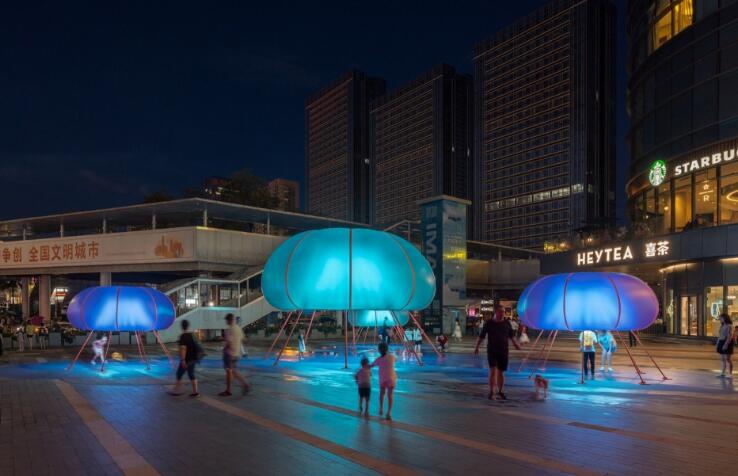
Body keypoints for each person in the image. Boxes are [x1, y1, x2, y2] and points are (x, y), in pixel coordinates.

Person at [474, 306, 521, 400]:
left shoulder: (507, 323)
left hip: (504, 351)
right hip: (492, 350)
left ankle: (500, 391)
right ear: (495, 312)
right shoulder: (489, 323)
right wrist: (477, 347)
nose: (502, 314)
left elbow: (511, 336)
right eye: (500, 312)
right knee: (493, 371)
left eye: (503, 312)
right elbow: (482, 336)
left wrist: (516, 344)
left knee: (501, 372)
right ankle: (492, 392)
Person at [220, 313, 250, 396]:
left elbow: (228, 343)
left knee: (229, 371)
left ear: (229, 320)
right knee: (233, 371)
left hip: (229, 354)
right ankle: (245, 384)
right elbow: (243, 339)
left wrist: (224, 350)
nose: (226, 322)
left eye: (226, 320)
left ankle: (228, 390)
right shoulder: (238, 328)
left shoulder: (229, 329)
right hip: (236, 354)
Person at [169, 319, 200, 397]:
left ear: (182, 326)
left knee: (179, 374)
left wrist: (183, 360)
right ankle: (195, 392)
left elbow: (183, 348)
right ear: (188, 326)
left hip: (186, 360)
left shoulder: (183, 336)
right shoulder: (192, 335)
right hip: (193, 359)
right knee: (191, 374)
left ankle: (176, 390)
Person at [371, 342, 396, 420]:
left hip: (383, 379)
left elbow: (372, 365)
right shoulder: (392, 356)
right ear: (387, 349)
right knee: (390, 396)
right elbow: (395, 360)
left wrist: (364, 367)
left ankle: (381, 408)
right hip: (391, 379)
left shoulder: (378, 359)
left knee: (382, 394)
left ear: (379, 350)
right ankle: (389, 413)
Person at [716, 314, 734, 378]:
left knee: (727, 359)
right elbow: (720, 335)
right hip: (721, 342)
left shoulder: (729, 326)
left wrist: (726, 344)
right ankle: (722, 373)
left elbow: (730, 336)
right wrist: (717, 343)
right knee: (722, 359)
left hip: (727, 342)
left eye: (721, 318)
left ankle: (730, 373)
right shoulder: (722, 326)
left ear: (725, 318)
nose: (720, 319)